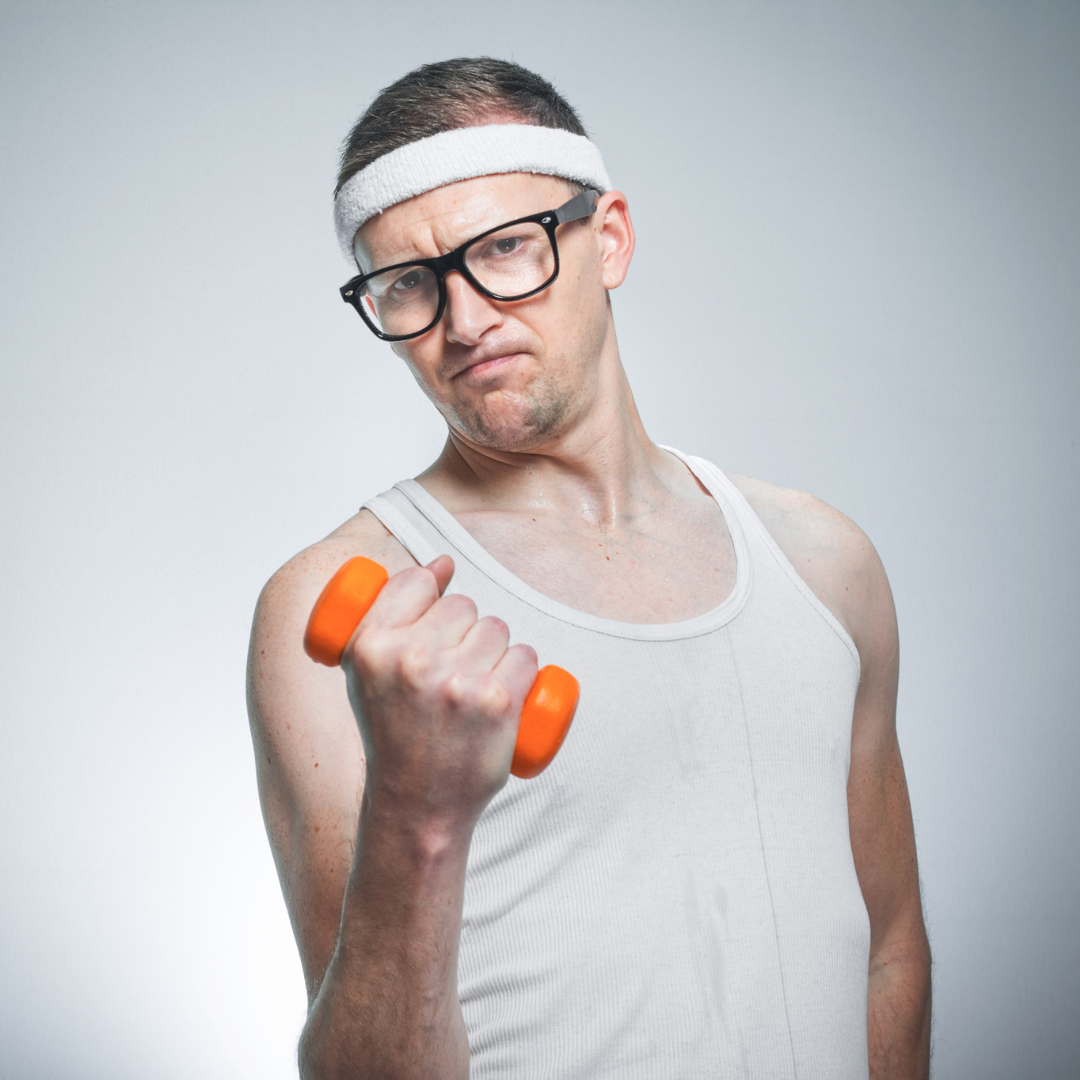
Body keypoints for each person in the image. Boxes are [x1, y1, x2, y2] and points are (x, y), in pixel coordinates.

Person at [247, 57, 931, 1080]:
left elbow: (889, 958)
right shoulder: (350, 614)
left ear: (607, 238)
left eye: (508, 248)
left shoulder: (824, 564)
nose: (466, 321)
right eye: (408, 285)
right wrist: (419, 813)